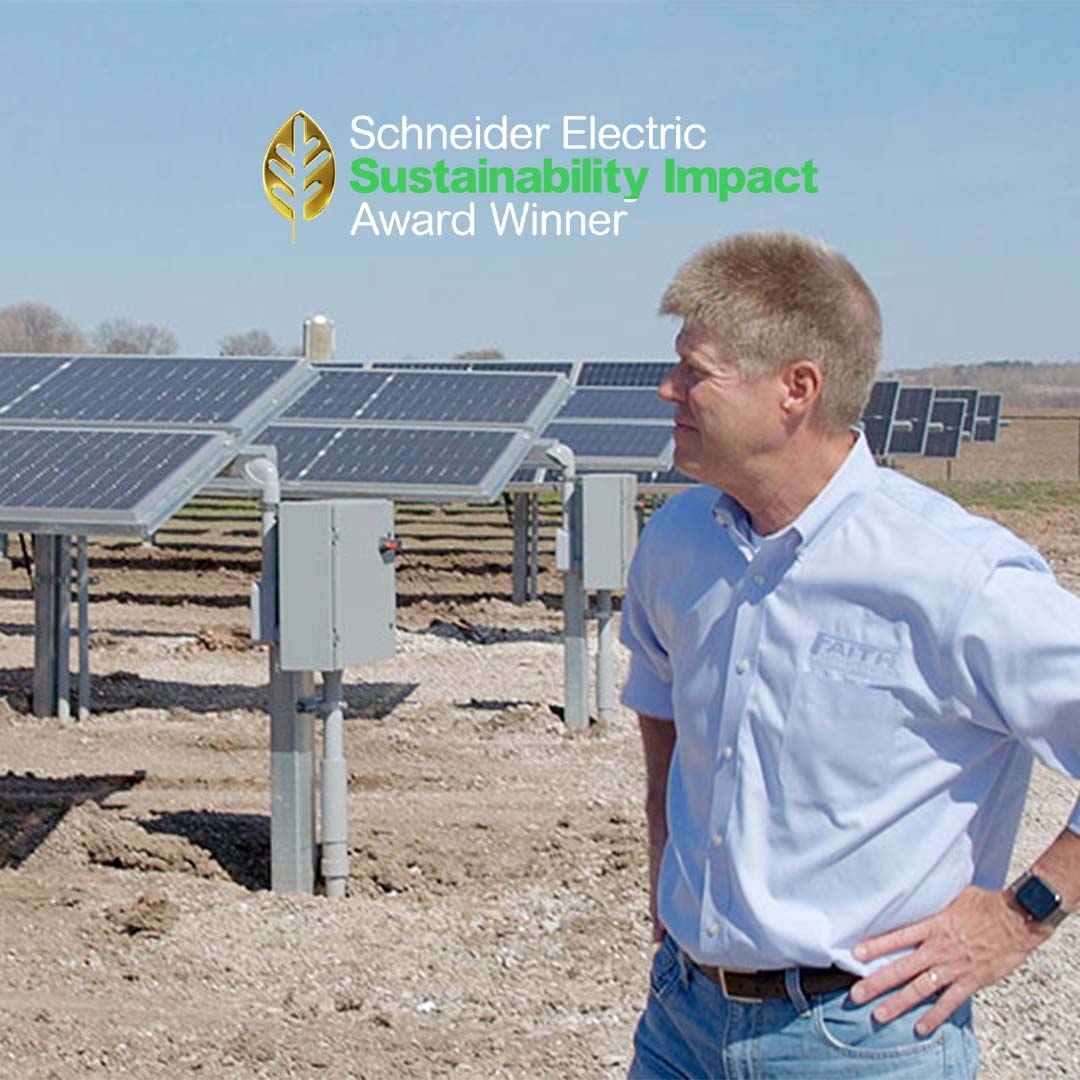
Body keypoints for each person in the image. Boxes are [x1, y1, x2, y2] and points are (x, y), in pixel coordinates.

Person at [619, 231, 1080, 1079]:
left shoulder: (953, 575)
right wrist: (665, 860)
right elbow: (665, 705)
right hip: (681, 1021)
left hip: (863, 1038)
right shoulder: (679, 541)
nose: (667, 388)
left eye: (697, 370)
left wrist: (1024, 914)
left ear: (797, 388)